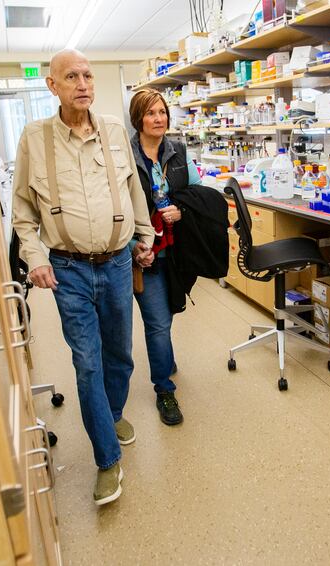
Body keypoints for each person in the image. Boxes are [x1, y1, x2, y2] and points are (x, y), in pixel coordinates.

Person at [13, 49, 154, 506]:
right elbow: (22, 211)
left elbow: (134, 187)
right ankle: (107, 459)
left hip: (116, 263)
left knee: (120, 354)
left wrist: (144, 234)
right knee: (87, 362)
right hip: (67, 269)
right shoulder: (34, 138)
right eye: (71, 76)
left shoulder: (114, 129)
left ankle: (111, 414)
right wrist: (34, 256)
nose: (83, 83)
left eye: (88, 75)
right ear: (52, 85)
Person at [127, 89, 203, 426]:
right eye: (151, 113)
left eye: (163, 112)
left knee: (167, 314)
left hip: (176, 249)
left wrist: (182, 210)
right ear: (138, 119)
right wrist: (133, 245)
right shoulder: (125, 156)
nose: (159, 119)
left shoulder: (178, 151)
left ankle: (164, 357)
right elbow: (117, 207)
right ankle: (164, 390)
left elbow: (198, 193)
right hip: (144, 252)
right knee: (157, 323)